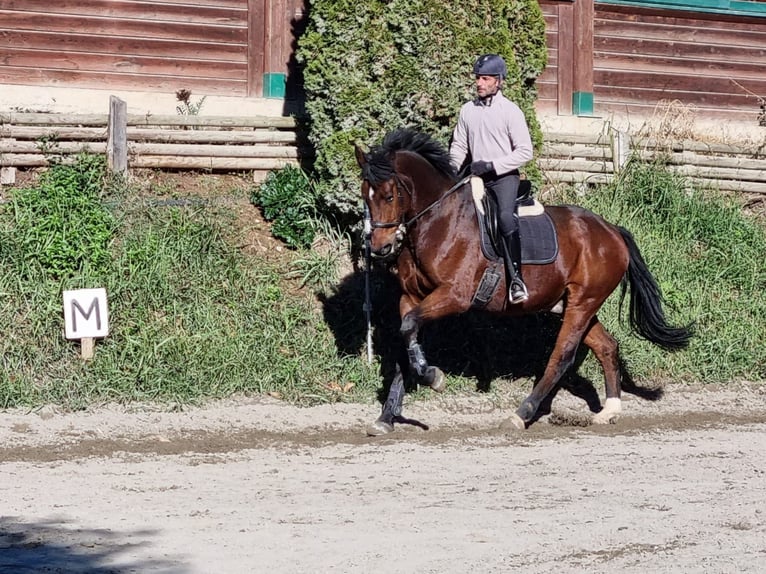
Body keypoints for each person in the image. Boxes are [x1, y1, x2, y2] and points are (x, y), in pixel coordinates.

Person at [449, 54, 534, 304]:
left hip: (503, 179)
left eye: (485, 78)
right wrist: (451, 169)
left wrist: (493, 165)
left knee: (506, 218)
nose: (479, 83)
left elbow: (525, 152)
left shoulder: (511, 112)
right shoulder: (467, 110)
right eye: (477, 78)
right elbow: (459, 147)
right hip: (476, 177)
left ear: (499, 82)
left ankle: (517, 279)